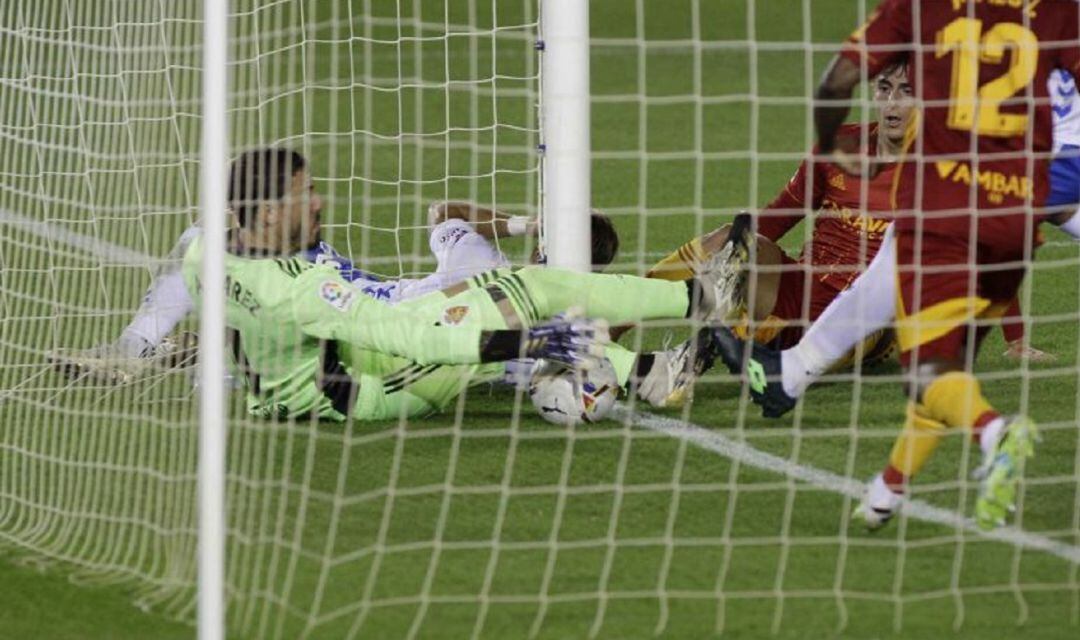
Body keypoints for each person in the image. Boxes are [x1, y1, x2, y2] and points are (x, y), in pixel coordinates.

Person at [709, 0, 1080, 531]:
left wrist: (836, 138)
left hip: (963, 193)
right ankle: (885, 488)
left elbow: (843, 75)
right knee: (938, 360)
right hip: (1026, 204)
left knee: (924, 349)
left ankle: (996, 433)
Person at [176, 148, 741, 422]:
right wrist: (523, 343)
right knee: (528, 293)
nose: (320, 200)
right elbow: (413, 339)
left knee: (520, 294)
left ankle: (658, 352)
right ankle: (683, 321)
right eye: (306, 193)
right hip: (368, 389)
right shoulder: (304, 288)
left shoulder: (206, 251)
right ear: (270, 213)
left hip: (299, 385)